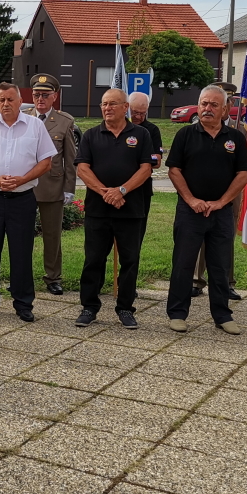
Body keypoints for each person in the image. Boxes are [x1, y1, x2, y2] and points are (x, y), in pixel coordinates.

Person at [0, 82, 57, 322]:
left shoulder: (35, 126)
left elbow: (46, 162)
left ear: (19, 101)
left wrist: (22, 179)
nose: (5, 104)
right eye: (1, 100)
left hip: (22, 199)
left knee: (21, 252)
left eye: (10, 99)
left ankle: (23, 304)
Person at [164, 84, 247, 334]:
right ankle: (177, 313)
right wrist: (192, 200)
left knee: (220, 265)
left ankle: (222, 315)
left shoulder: (236, 138)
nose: (207, 108)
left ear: (225, 109)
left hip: (221, 212)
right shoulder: (185, 135)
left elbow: (243, 174)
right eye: (203, 103)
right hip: (190, 211)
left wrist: (221, 202)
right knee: (183, 263)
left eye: (214, 104)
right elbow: (174, 170)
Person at [74, 88, 155, 329]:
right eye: (104, 104)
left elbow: (146, 169)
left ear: (125, 107)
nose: (107, 108)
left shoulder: (141, 134)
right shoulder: (91, 135)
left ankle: (125, 308)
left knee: (130, 261)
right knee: (93, 260)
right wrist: (106, 193)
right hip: (98, 211)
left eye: (112, 104)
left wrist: (121, 191)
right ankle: (89, 307)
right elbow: (83, 169)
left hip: (131, 210)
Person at [22, 74, 77, 295]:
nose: (40, 99)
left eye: (45, 95)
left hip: (52, 186)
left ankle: (53, 277)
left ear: (54, 96)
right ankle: (21, 277)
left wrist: (69, 189)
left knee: (52, 235)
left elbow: (70, 160)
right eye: (36, 95)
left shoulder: (64, 121)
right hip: (25, 186)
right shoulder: (23, 118)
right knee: (22, 235)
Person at [193, 82, 246, 301]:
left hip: (231, 190)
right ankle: (196, 280)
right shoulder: (196, 127)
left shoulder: (240, 129)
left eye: (229, 101)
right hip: (202, 191)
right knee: (199, 235)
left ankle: (227, 282)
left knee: (226, 236)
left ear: (228, 106)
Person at [127, 91, 164, 235]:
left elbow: (156, 161)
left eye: (143, 113)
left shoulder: (151, 130)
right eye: (135, 112)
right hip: (116, 186)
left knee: (137, 231)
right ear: (127, 107)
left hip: (142, 189)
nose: (138, 117)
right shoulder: (118, 128)